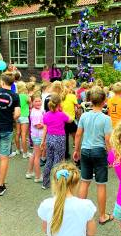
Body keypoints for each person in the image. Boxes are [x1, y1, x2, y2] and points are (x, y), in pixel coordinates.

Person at [38, 162, 96, 236]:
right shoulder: (86, 206)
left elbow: (45, 230)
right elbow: (91, 233)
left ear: (55, 183)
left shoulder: (46, 205)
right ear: (76, 183)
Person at [73, 86, 113, 224]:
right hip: (99, 151)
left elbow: (78, 134)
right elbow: (107, 140)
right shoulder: (106, 119)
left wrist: (76, 150)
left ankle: (79, 215)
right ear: (104, 101)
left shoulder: (84, 115)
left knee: (84, 181)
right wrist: (111, 155)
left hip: (85, 150)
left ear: (89, 100)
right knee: (101, 184)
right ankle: (102, 216)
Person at [41, 93, 72, 189]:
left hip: (50, 138)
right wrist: (62, 110)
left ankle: (45, 183)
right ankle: (56, 183)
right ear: (59, 104)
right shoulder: (61, 115)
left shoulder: (46, 115)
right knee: (58, 162)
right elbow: (70, 120)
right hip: (59, 139)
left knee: (49, 160)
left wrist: (43, 141)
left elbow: (45, 129)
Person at [26, 93, 44, 183]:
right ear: (32, 102)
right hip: (38, 136)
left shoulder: (38, 110)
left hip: (35, 136)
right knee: (37, 156)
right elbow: (38, 125)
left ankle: (29, 172)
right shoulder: (36, 113)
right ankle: (37, 176)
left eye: (39, 100)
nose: (38, 102)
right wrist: (47, 124)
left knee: (34, 154)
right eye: (36, 101)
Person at [14, 81, 31, 158]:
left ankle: (18, 150)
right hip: (24, 116)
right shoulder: (26, 96)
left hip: (17, 115)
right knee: (24, 135)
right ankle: (25, 153)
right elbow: (30, 104)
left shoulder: (15, 95)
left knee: (17, 133)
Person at [61, 85, 78, 159]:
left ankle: (66, 154)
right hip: (70, 119)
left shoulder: (60, 97)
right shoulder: (72, 96)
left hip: (62, 119)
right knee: (76, 134)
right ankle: (77, 151)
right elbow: (77, 105)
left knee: (65, 137)